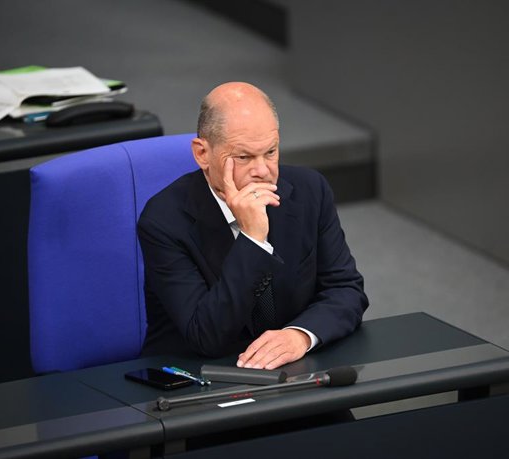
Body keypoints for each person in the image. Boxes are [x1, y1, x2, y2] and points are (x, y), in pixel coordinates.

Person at [138, 82, 368, 370]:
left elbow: (346, 290)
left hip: (292, 367)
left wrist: (300, 336)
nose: (262, 171)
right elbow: (206, 336)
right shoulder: (163, 220)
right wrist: (252, 239)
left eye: (270, 152)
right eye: (244, 157)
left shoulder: (310, 190)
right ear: (202, 154)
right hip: (199, 378)